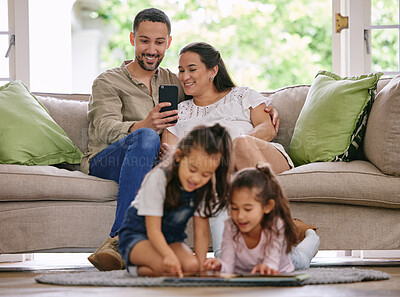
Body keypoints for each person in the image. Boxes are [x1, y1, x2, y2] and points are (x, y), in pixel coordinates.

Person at [84, 9, 281, 271]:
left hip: (154, 157)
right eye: (144, 41)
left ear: (168, 42)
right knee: (145, 137)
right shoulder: (108, 81)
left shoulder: (174, 80)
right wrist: (145, 125)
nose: (151, 49)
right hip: (108, 157)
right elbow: (104, 128)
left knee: (166, 152)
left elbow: (211, 98)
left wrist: (267, 110)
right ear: (132, 39)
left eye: (159, 42)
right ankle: (119, 238)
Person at [161, 42, 296, 257]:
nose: (185, 76)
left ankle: (275, 229)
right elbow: (171, 152)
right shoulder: (180, 112)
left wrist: (229, 151)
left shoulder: (241, 96)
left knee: (240, 143)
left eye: (192, 69)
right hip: (217, 172)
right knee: (211, 172)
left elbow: (267, 128)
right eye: (181, 70)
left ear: (213, 71)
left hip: (260, 156)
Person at [118, 124, 232, 277]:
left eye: (206, 175)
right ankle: (135, 268)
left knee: (191, 267)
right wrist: (168, 256)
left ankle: (158, 266)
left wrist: (201, 265)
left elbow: (202, 231)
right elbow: (153, 230)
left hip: (172, 239)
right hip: (139, 236)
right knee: (169, 268)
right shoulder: (159, 178)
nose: (197, 178)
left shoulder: (204, 188)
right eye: (192, 169)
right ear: (179, 156)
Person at [203, 164, 320, 274]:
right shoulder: (230, 225)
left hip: (282, 258)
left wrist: (267, 266)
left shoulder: (275, 225)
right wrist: (220, 265)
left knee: (303, 259)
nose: (240, 216)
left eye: (247, 209)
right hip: (244, 263)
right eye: (234, 208)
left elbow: (272, 263)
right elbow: (228, 265)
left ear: (267, 206)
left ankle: (310, 233)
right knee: (220, 254)